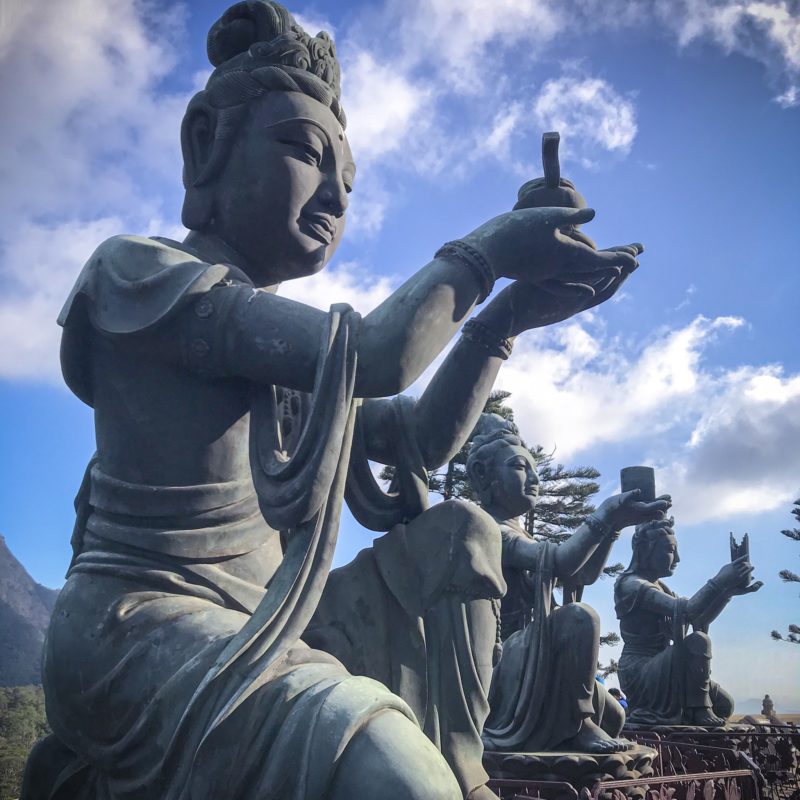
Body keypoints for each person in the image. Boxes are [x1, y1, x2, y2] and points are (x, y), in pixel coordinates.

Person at [26, 3, 643, 799]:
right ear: (205, 143)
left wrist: (508, 315)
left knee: (461, 530)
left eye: (347, 180)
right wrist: (487, 254)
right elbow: (382, 355)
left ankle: (468, 764)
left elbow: (418, 436)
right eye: (304, 153)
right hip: (141, 625)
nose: (332, 196)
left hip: (267, 622)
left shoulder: (291, 364)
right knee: (391, 772)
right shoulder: (140, 274)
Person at [467, 416, 670, 754]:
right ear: (482, 474)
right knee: (579, 618)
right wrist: (605, 515)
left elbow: (580, 575)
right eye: (519, 467)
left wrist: (615, 527)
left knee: (616, 716)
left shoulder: (520, 535)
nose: (533, 479)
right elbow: (561, 562)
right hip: (499, 661)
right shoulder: (485, 528)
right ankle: (579, 723)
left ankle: (581, 723)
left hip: (531, 652)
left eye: (535, 469)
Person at [614, 519, 762, 727]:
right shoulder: (631, 585)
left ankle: (701, 709)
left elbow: (698, 617)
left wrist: (727, 592)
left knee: (724, 705)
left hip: (666, 662)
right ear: (646, 550)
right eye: (670, 550)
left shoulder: (662, 588)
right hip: (641, 669)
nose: (677, 559)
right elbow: (689, 609)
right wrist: (719, 581)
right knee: (698, 641)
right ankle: (700, 709)